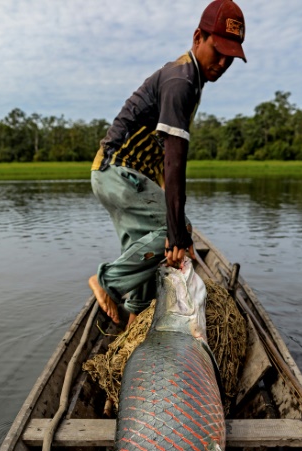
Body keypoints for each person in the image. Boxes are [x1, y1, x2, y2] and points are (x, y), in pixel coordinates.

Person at [88, 0, 247, 326]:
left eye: (230, 58)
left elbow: (161, 158)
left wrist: (173, 230)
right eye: (217, 51)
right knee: (174, 229)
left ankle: (134, 317)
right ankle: (107, 283)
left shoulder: (191, 79)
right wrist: (178, 235)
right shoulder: (181, 81)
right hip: (118, 171)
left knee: (147, 244)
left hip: (122, 174)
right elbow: (176, 163)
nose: (222, 62)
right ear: (197, 37)